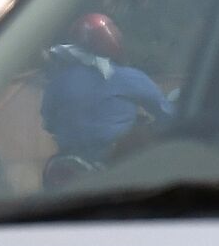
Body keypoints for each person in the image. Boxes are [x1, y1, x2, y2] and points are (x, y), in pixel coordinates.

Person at [38, 13, 173, 165]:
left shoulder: (58, 82)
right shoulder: (129, 77)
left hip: (68, 163)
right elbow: (167, 114)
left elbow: (48, 122)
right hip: (117, 162)